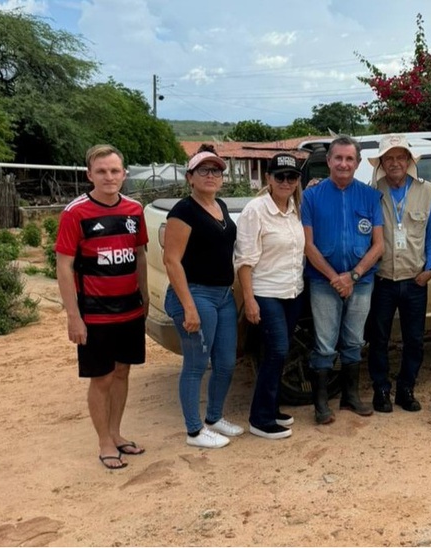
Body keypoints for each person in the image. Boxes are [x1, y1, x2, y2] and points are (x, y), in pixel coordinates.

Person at [56, 144, 149, 470]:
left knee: (123, 372)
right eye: (101, 171)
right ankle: (104, 442)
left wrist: (146, 296)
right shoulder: (75, 213)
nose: (109, 177)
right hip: (95, 312)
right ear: (89, 175)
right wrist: (73, 316)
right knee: (103, 377)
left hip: (130, 310)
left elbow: (139, 255)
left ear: (124, 174)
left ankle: (117, 433)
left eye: (114, 171)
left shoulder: (135, 210)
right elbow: (64, 266)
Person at [163, 145, 243, 449]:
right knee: (197, 364)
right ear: (190, 177)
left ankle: (214, 417)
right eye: (204, 170)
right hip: (196, 295)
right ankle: (194, 431)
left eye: (216, 171)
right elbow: (172, 260)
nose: (211, 175)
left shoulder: (220, 205)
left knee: (226, 362)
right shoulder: (183, 211)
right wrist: (188, 306)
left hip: (222, 296)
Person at [301, 135, 384, 424]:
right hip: (324, 281)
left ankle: (350, 397)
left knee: (354, 340)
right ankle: (321, 404)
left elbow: (378, 245)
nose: (344, 163)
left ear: (358, 163)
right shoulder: (311, 196)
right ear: (329, 161)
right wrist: (335, 277)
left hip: (361, 281)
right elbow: (308, 245)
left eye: (350, 159)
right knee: (324, 343)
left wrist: (354, 275)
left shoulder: (371, 196)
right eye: (338, 158)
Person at [234, 153, 305, 440]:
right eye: (280, 177)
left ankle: (272, 407)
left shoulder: (294, 209)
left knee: (277, 353)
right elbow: (244, 260)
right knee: (276, 351)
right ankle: (260, 419)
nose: (286, 182)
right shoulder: (255, 210)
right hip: (266, 293)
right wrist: (249, 299)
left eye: (291, 177)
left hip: (292, 291)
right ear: (268, 179)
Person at [365, 135, 431, 413]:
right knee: (379, 339)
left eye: (400, 157)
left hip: (415, 279)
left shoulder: (427, 191)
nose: (395, 163)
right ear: (382, 163)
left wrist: (430, 268)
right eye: (389, 158)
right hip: (382, 280)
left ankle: (406, 389)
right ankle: (381, 390)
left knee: (415, 340)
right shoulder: (372, 191)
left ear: (408, 161)